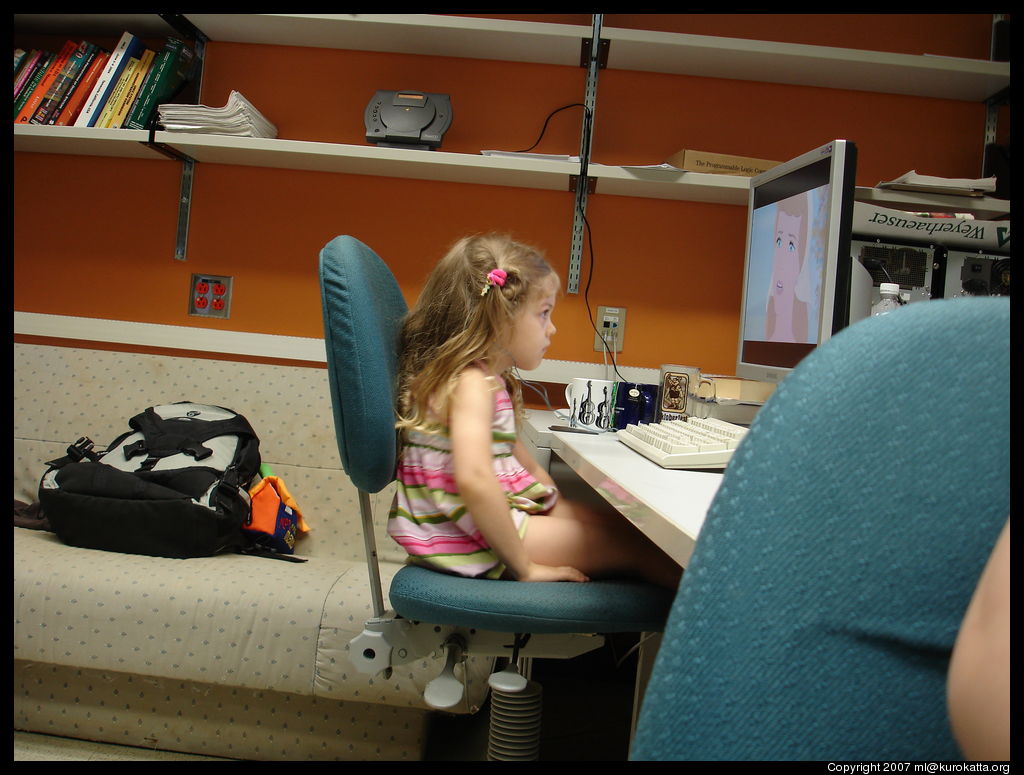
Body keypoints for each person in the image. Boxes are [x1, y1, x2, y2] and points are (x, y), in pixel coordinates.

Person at [386, 234, 682, 588]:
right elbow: (475, 478)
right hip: (463, 539)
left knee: (633, 524)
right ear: (499, 318)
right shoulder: (471, 385)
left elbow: (512, 451)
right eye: (543, 314)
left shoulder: (484, 379)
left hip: (473, 524)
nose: (552, 328)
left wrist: (548, 499)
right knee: (643, 548)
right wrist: (525, 568)